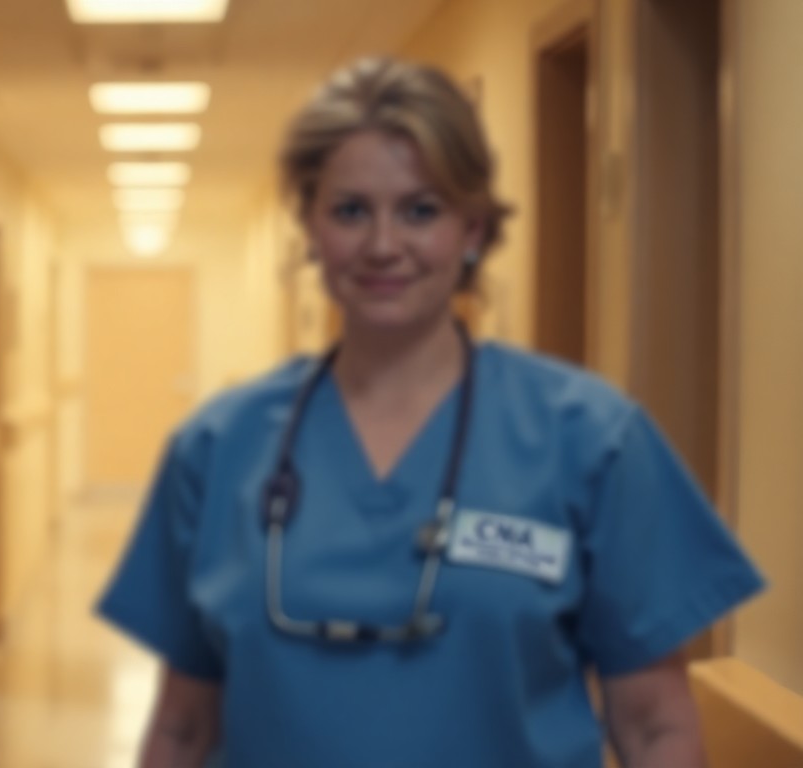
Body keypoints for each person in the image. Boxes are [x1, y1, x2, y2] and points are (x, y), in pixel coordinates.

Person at [96, 57, 764, 768]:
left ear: (472, 230)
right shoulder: (218, 447)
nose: (384, 245)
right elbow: (183, 728)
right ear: (313, 230)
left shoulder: (592, 440)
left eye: (421, 210)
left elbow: (655, 724)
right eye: (351, 210)